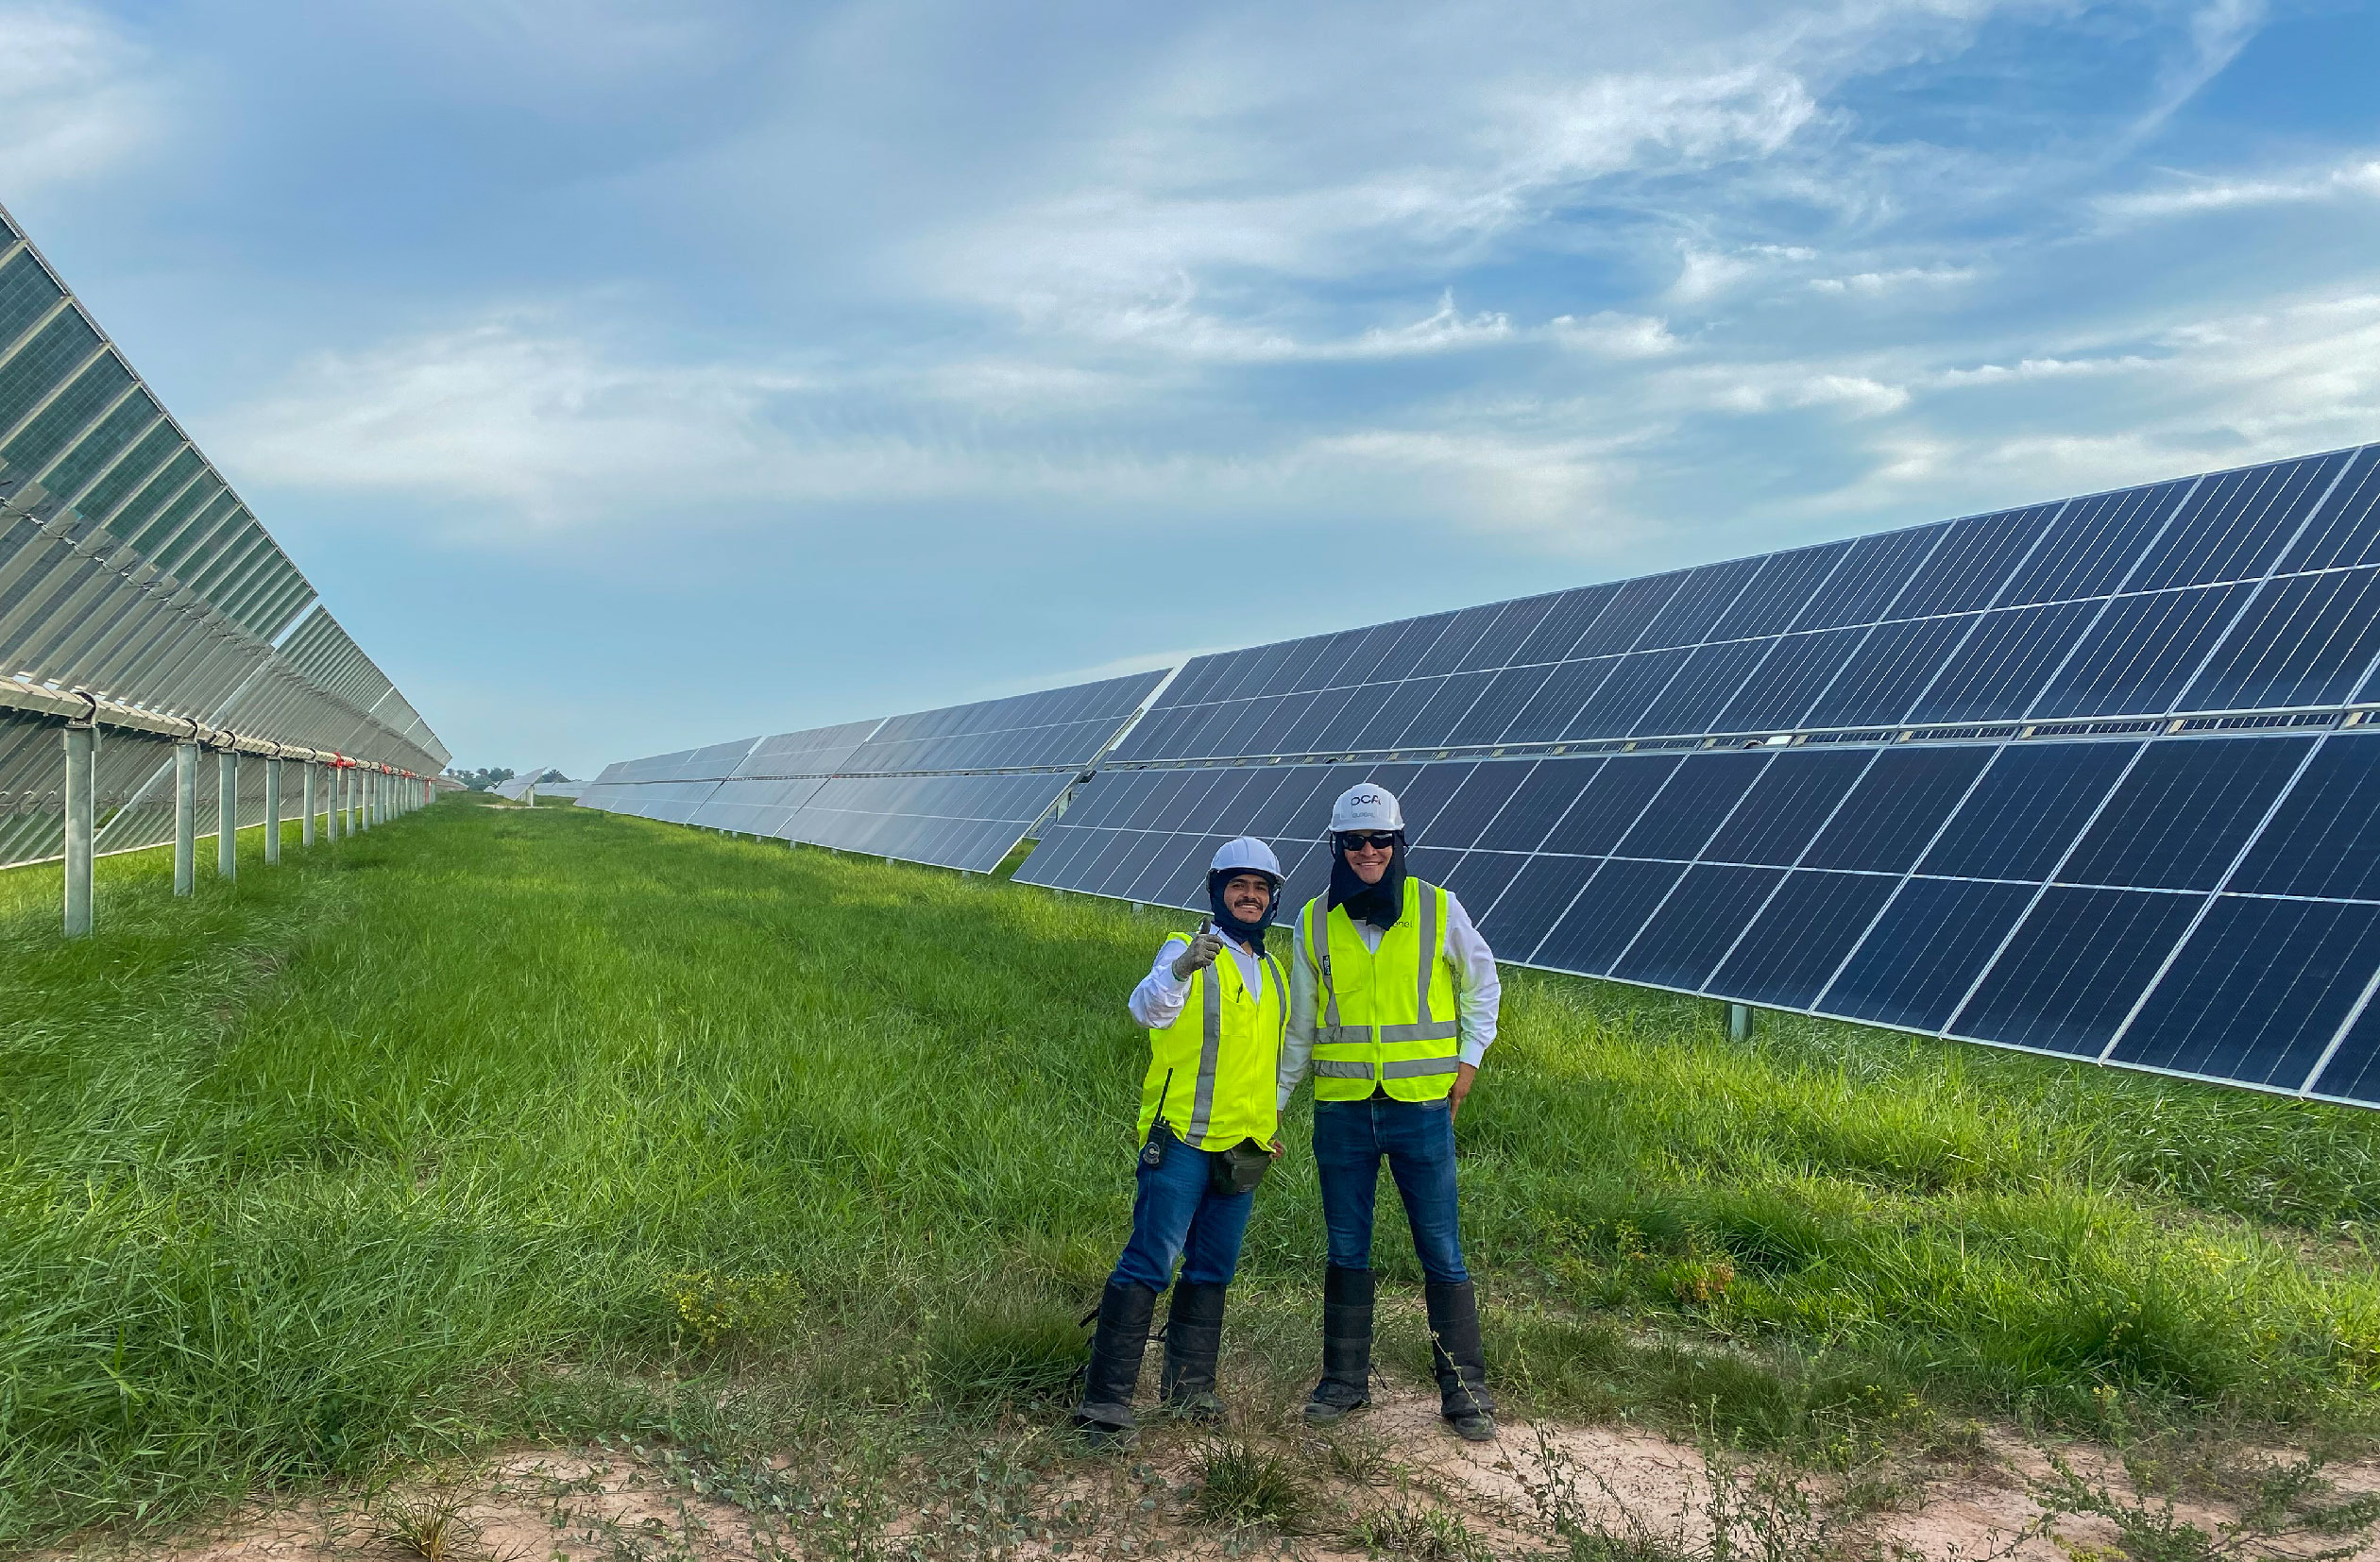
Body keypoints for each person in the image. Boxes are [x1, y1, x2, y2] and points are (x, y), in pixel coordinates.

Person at [1279, 782, 1503, 1441]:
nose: (1368, 852)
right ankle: (1344, 1383)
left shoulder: (1438, 907)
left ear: (1399, 842)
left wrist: (1468, 1062)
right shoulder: (1314, 921)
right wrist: (1274, 1107)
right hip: (1343, 1110)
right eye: (1354, 842)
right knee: (1347, 1246)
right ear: (1336, 847)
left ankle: (1466, 1394)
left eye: (1379, 841)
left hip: (1420, 1109)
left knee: (1441, 1247)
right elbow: (1301, 1027)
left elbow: (1482, 982)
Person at [1072, 837, 1289, 1445]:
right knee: (1150, 1261)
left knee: (1214, 1266)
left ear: (1274, 899)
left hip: (1243, 1148)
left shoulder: (1272, 969)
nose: (1249, 897)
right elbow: (1148, 1011)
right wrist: (1181, 968)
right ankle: (1106, 1402)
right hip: (1182, 1141)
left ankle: (1189, 1388)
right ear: (1217, 892)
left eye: (1261, 888)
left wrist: (1268, 1127)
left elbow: (1264, 1059)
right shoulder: (1185, 950)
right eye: (1237, 886)